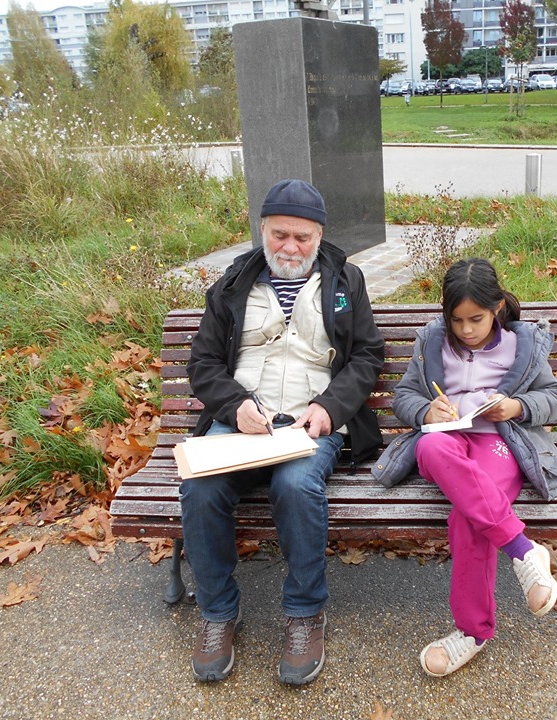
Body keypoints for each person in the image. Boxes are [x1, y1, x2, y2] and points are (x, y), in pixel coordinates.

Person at [182, 179, 384, 685]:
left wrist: (329, 409)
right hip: (241, 423)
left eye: (302, 236)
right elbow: (204, 363)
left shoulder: (347, 281)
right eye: (280, 235)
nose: (290, 247)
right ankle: (218, 613)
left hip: (309, 424)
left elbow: (366, 356)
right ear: (263, 230)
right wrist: (234, 405)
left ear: (319, 236)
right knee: (200, 489)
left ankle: (305, 614)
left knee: (296, 486)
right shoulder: (232, 285)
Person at [372, 258, 557, 677]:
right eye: (456, 320)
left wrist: (516, 406)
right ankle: (523, 550)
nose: (465, 330)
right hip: (447, 443)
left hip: (498, 443)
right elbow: (404, 396)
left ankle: (472, 633)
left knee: (469, 516)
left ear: (496, 307)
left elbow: (554, 398)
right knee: (431, 446)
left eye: (476, 319)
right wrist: (427, 411)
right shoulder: (432, 341)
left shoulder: (521, 345)